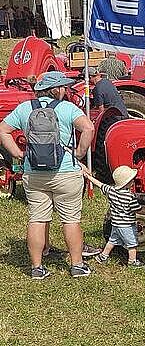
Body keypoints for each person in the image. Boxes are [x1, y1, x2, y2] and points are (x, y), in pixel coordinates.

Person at [0, 71, 95, 279]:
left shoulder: (25, 108)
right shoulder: (67, 108)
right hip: (65, 172)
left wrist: (18, 154)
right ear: (57, 89)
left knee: (37, 218)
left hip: (34, 172)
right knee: (70, 220)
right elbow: (88, 127)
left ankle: (37, 268)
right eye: (63, 87)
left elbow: (3, 130)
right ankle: (77, 265)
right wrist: (79, 153)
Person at [79, 162, 144, 268]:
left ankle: (103, 256)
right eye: (132, 180)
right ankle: (132, 261)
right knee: (132, 245)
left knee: (112, 241)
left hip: (116, 224)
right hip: (127, 225)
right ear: (127, 183)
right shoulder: (130, 197)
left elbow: (100, 184)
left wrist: (88, 177)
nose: (133, 181)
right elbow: (138, 209)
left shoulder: (111, 191)